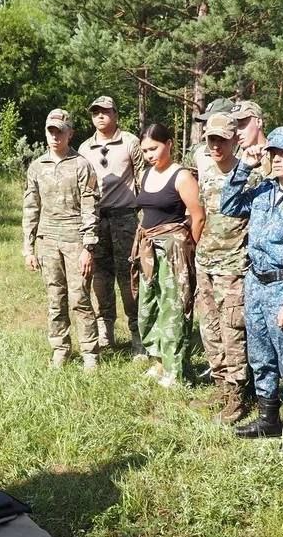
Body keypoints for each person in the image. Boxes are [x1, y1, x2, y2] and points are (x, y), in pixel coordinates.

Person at [220, 126, 283, 452]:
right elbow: (228, 205)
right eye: (271, 152)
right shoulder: (263, 190)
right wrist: (244, 166)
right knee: (260, 356)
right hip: (256, 282)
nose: (275, 159)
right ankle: (269, 418)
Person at [24, 108, 101, 370]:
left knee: (80, 297)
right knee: (55, 298)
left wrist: (88, 247)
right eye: (51, 131)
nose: (55, 136)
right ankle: (60, 348)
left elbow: (90, 207)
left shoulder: (82, 165)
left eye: (60, 131)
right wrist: (28, 247)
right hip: (48, 241)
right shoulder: (36, 167)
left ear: (70, 134)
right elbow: (31, 207)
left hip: (75, 239)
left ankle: (90, 351)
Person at [132, 122, 205, 386]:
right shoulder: (145, 175)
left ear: (169, 144)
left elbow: (198, 217)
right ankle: (157, 361)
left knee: (173, 308)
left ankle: (176, 370)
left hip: (173, 251)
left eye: (154, 148)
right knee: (148, 306)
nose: (150, 154)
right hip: (148, 249)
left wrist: (190, 250)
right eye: (145, 150)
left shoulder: (182, 176)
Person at [192, 112, 251, 422]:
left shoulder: (248, 174)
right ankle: (220, 384)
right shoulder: (206, 169)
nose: (215, 146)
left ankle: (237, 394)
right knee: (210, 328)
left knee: (233, 332)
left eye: (222, 140)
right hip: (206, 262)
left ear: (234, 141)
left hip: (234, 266)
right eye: (211, 139)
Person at [78, 95, 145, 354]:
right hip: (96, 220)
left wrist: (144, 215)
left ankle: (137, 333)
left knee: (129, 276)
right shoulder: (84, 149)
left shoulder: (129, 142)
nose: (100, 116)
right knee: (100, 277)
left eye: (105, 112)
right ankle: (106, 331)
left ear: (116, 114)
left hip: (125, 217)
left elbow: (142, 178)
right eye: (95, 112)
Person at [184, 97, 235, 173]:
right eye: (206, 122)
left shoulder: (246, 153)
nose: (205, 127)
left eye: (214, 121)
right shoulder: (197, 151)